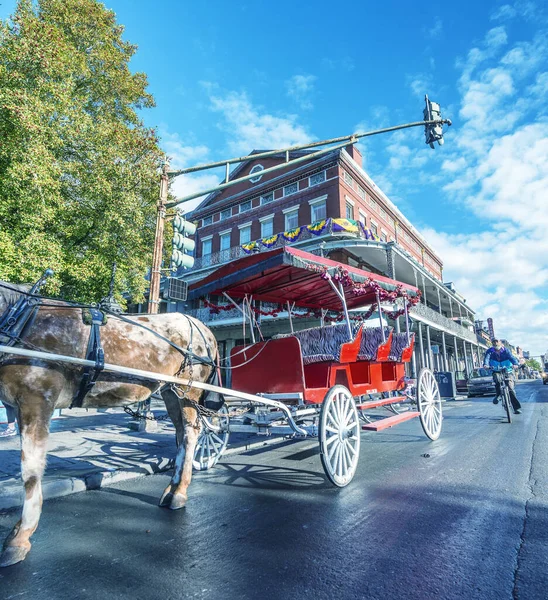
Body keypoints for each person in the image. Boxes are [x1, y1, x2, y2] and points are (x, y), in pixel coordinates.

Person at [483, 339, 522, 414]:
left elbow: (512, 358)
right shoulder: (490, 351)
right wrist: (485, 365)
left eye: (497, 341)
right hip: (496, 369)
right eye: (493, 342)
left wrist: (515, 364)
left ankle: (516, 408)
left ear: (500, 343)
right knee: (497, 380)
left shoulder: (506, 350)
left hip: (507, 370)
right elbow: (486, 359)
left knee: (510, 388)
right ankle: (498, 395)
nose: (495, 343)